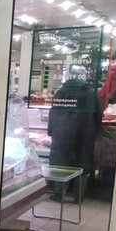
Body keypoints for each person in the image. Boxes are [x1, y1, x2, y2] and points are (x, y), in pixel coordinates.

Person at [47, 65, 102, 198]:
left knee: (61, 162)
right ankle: (79, 196)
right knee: (82, 163)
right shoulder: (90, 93)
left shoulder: (61, 92)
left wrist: (51, 130)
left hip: (61, 132)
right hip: (84, 133)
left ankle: (59, 193)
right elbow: (98, 115)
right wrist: (96, 132)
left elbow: (53, 113)